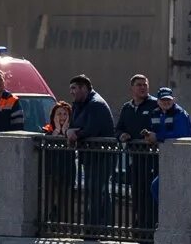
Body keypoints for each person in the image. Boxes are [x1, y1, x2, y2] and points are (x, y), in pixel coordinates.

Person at [67, 74, 117, 232]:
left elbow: (91, 129)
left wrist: (75, 133)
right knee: (94, 191)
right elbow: (76, 124)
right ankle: (99, 227)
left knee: (97, 191)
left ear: (84, 88)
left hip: (101, 157)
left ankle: (95, 228)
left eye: (74, 88)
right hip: (89, 157)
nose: (72, 92)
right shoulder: (79, 104)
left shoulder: (96, 104)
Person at [117, 74, 164, 231]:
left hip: (152, 158)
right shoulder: (127, 108)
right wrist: (122, 135)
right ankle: (138, 227)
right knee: (136, 194)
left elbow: (160, 128)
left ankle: (150, 228)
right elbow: (118, 128)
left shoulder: (154, 105)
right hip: (134, 158)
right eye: (139, 85)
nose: (143, 87)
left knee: (149, 194)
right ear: (132, 88)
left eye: (145, 84)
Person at [40, 99, 77, 223]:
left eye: (65, 114)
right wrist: (56, 131)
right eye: (59, 114)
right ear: (53, 116)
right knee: (50, 198)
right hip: (51, 170)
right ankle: (48, 223)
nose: (62, 117)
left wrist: (66, 131)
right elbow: (46, 141)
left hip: (67, 170)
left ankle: (65, 224)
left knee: (66, 199)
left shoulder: (73, 131)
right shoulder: (47, 130)